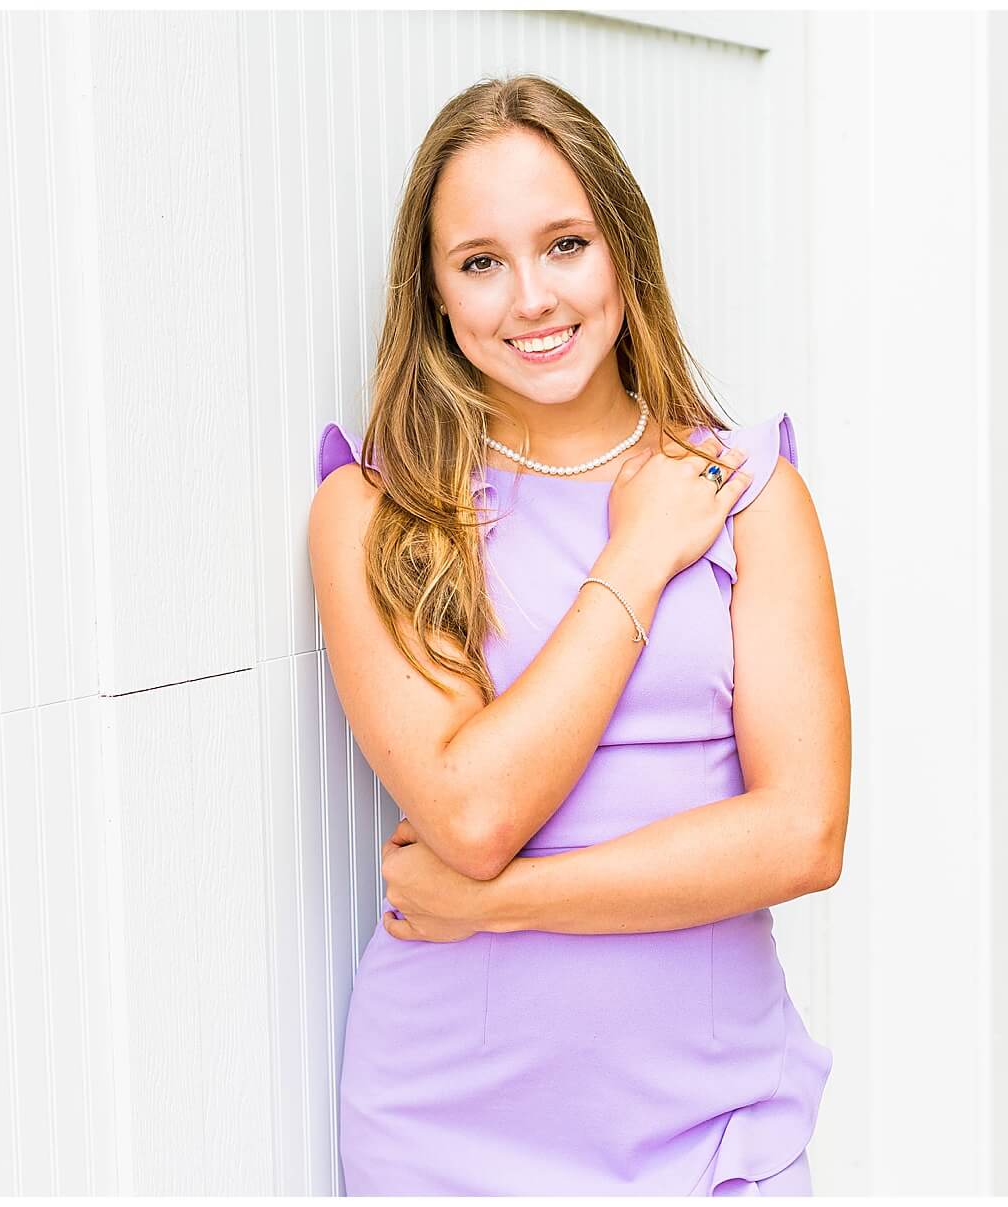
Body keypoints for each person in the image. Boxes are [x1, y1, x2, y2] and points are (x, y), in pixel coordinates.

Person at [307, 74, 850, 1196]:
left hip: (714, 1133)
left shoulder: (748, 492)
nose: (530, 299)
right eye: (480, 261)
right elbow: (475, 809)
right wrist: (638, 555)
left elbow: (802, 835)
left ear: (624, 252)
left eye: (564, 244)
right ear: (435, 293)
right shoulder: (382, 511)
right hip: (448, 1135)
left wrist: (505, 904)